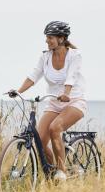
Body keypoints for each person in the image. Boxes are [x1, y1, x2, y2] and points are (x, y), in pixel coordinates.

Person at [9, 21, 86, 182]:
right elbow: (33, 76)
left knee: (55, 128)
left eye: (50, 38)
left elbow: (71, 76)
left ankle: (62, 171)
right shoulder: (45, 57)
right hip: (54, 103)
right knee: (41, 140)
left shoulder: (74, 55)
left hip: (73, 102)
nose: (47, 41)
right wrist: (18, 91)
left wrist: (66, 93)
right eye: (46, 37)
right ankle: (53, 176)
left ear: (61, 38)